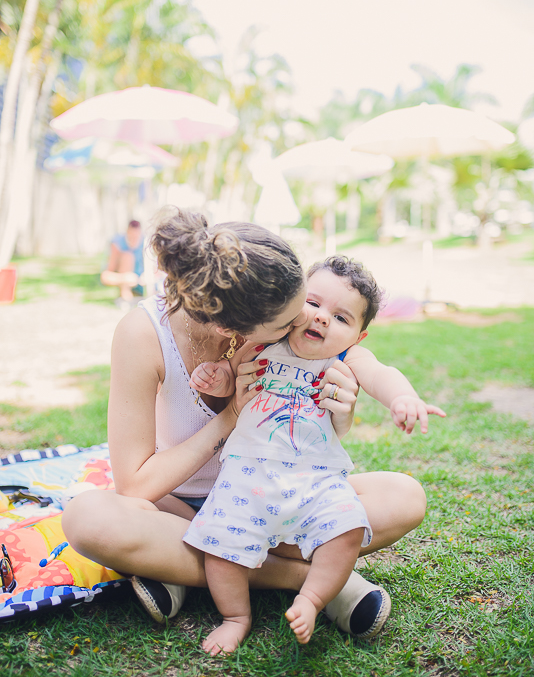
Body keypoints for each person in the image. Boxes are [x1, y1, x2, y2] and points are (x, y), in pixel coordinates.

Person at [61, 208, 430, 649]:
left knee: (405, 496)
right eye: (292, 319)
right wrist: (230, 416)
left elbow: (318, 413)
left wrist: (344, 413)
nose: (306, 321)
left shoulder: (276, 305)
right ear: (232, 329)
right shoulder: (146, 334)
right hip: (181, 504)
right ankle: (309, 579)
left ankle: (179, 568)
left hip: (280, 496)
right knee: (89, 519)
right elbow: (135, 485)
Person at [185, 256, 446, 654]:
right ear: (293, 301)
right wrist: (217, 377)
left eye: (341, 318)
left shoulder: (345, 358)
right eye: (313, 303)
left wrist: (403, 397)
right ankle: (236, 617)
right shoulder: (263, 343)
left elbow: (381, 374)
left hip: (317, 482)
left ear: (358, 337)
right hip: (247, 478)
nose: (323, 318)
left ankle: (311, 597)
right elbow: (229, 373)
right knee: (221, 549)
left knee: (347, 530)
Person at [100, 219, 145, 304]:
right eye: (131, 236)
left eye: (136, 236)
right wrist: (124, 278)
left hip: (144, 282)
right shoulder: (117, 243)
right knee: (127, 256)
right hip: (127, 278)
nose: (134, 239)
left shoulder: (146, 242)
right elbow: (105, 277)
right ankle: (126, 295)